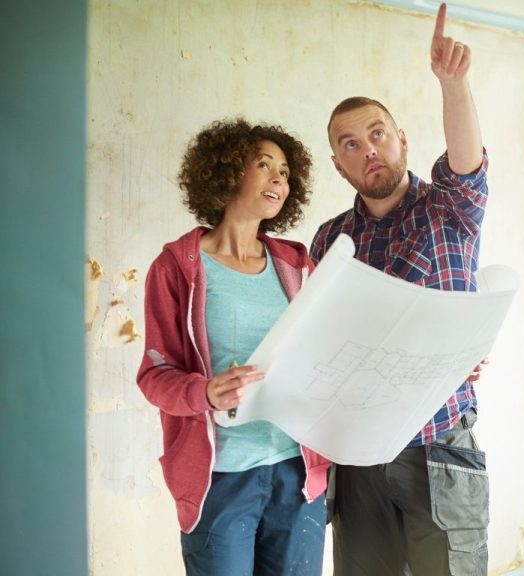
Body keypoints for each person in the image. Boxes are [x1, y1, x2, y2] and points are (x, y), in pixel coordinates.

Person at [309, 4, 490, 575]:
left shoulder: (447, 208)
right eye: (350, 145)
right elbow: (320, 341)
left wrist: (453, 85)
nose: (369, 151)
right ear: (339, 165)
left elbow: (466, 163)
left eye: (377, 134)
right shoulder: (329, 240)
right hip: (358, 451)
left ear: (402, 139)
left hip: (437, 443)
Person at [137, 118, 332, 575]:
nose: (279, 178)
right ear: (225, 173)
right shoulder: (177, 267)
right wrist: (204, 393)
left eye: (284, 171)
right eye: (263, 165)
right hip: (220, 477)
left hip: (298, 475)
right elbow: (153, 375)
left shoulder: (298, 263)